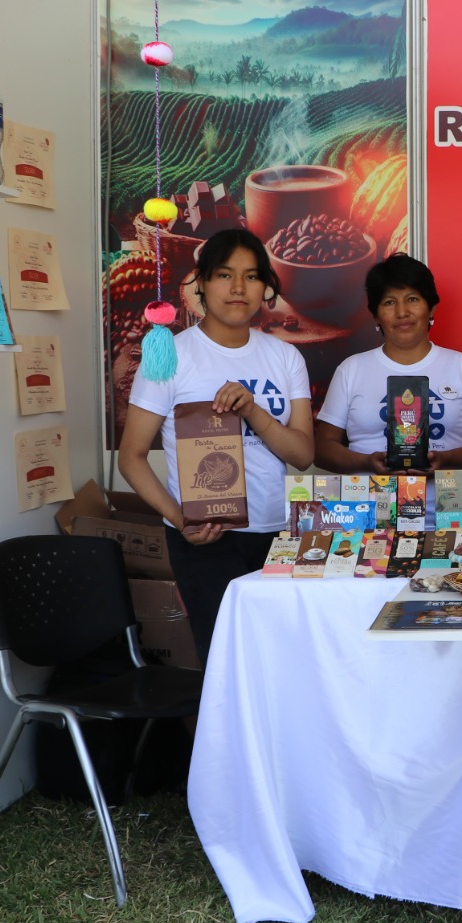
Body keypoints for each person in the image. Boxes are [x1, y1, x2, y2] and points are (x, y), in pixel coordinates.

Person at [120, 227, 314, 664]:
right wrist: (181, 521)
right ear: (202, 283)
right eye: (225, 275)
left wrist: (254, 411)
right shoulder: (171, 356)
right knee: (226, 662)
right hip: (206, 539)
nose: (238, 288)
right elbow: (131, 458)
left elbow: (303, 456)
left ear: (266, 287)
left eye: (251, 276)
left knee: (281, 661)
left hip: (277, 534)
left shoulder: (285, 357)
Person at [313, 253, 462, 473]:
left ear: (431, 308)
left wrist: (446, 459)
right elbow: (323, 451)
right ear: (376, 316)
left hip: (446, 496)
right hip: (370, 495)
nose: (402, 312)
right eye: (389, 302)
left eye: (412, 299)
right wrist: (366, 462)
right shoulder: (351, 369)